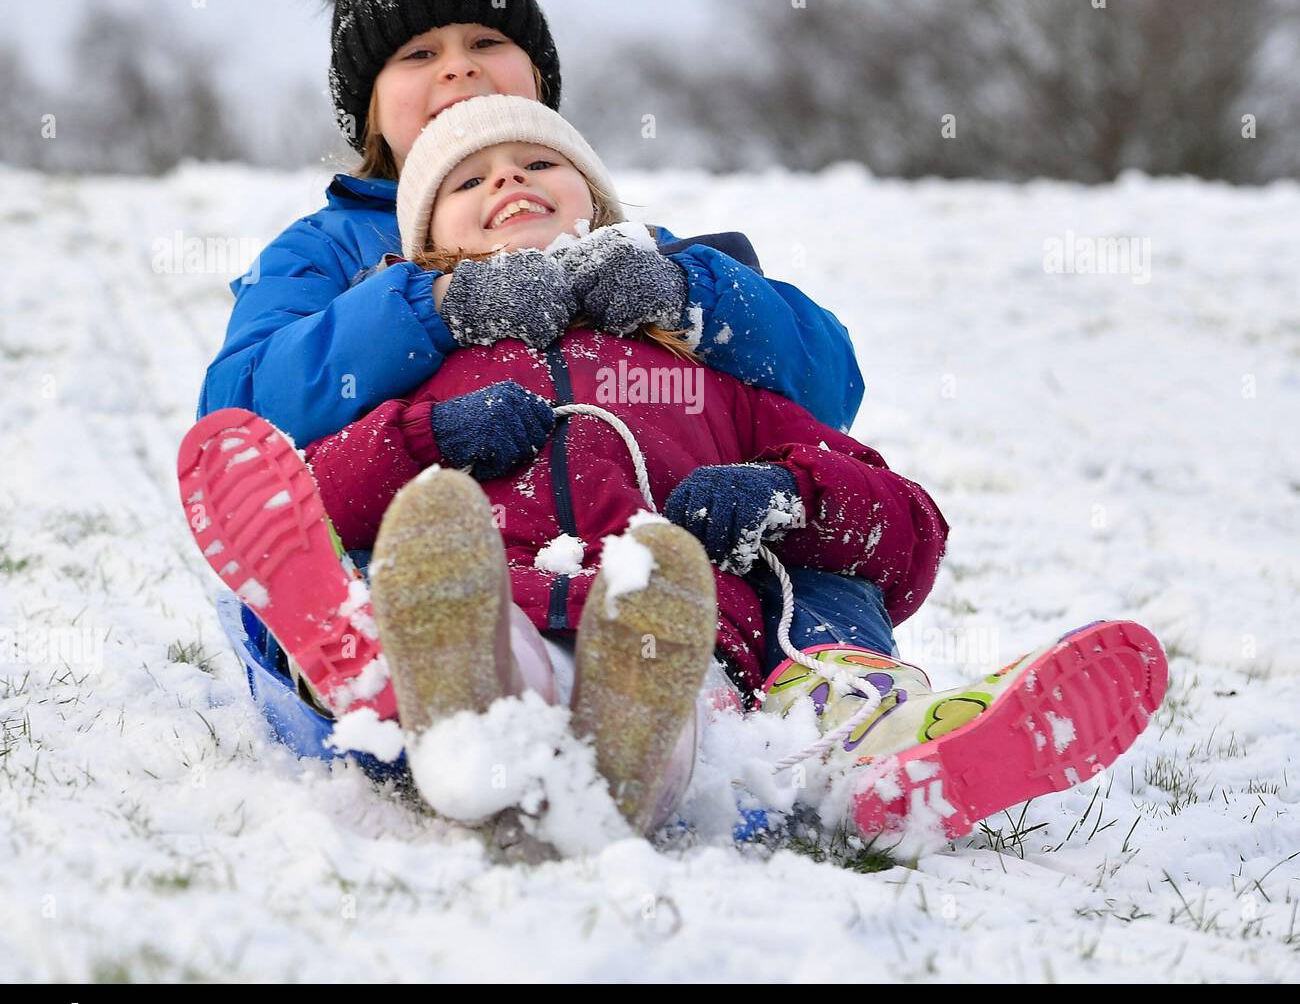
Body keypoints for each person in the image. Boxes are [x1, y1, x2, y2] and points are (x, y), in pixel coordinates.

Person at [179, 95, 1167, 848]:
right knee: (482, 622)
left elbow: (902, 523)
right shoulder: (438, 366)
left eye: (537, 162)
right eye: (470, 182)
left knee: (684, 659)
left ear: (599, 208)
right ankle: (434, 685)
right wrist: (430, 435)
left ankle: (895, 760)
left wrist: (784, 498)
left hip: (684, 639)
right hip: (513, 604)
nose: (509, 181)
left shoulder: (698, 365)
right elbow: (323, 493)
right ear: (431, 243)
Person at [196, 0, 894, 728]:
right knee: (393, 549)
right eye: (418, 53)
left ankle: (852, 709)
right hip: (436, 532)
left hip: (629, 546)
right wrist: (434, 309)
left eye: (487, 42)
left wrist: (687, 295)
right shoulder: (324, 255)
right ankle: (396, 673)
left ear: (542, 85)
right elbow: (241, 419)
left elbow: (827, 390)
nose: (459, 68)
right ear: (367, 109)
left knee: (803, 548)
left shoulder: (622, 244)